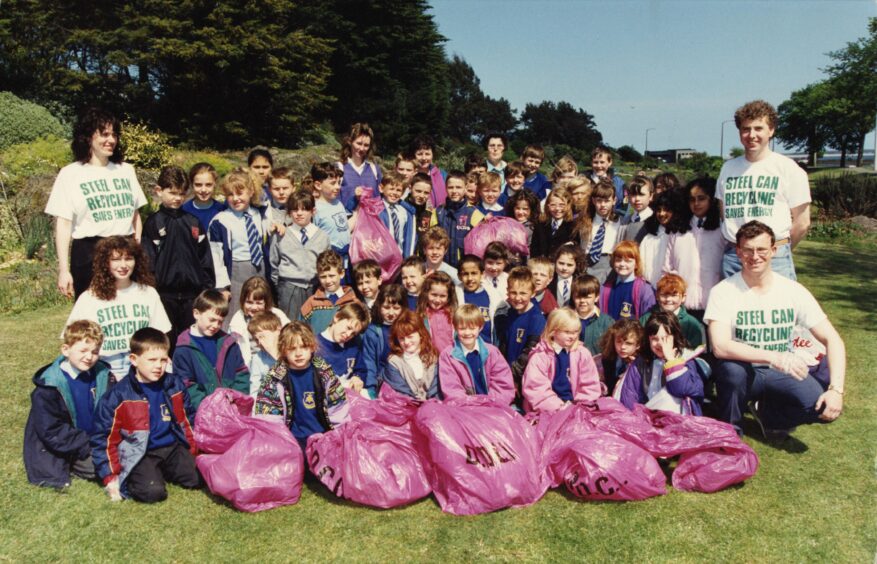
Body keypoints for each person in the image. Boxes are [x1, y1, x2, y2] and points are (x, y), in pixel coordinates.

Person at [705, 221, 845, 439]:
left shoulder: (792, 290)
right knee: (732, 374)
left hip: (779, 371)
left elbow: (832, 339)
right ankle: (731, 433)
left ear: (773, 250)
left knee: (819, 407)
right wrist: (774, 356)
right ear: (738, 251)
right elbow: (720, 347)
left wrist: (836, 390)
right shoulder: (723, 291)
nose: (755, 256)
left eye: (761, 249)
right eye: (748, 250)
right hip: (743, 368)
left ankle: (768, 415)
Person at [46, 107, 148, 298]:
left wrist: (136, 248)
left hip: (124, 251)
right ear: (88, 137)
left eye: (114, 135)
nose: (111, 140)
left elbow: (135, 216)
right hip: (88, 254)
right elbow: (64, 224)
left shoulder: (126, 170)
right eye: (104, 134)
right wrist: (63, 270)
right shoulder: (70, 174)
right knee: (91, 318)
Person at [92, 328, 200, 502]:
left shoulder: (175, 385)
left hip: (172, 447)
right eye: (152, 360)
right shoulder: (118, 396)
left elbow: (188, 420)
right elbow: (103, 438)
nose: (158, 366)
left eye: (163, 360)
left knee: (198, 478)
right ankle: (150, 474)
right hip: (141, 451)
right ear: (134, 359)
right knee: (153, 492)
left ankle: (166, 470)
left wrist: (194, 452)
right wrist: (110, 476)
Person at [716, 100, 811, 280]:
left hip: (774, 257)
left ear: (771, 130)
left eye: (758, 128)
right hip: (734, 257)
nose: (751, 135)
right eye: (746, 129)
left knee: (777, 307)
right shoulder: (728, 168)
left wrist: (773, 250)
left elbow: (802, 222)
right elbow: (724, 212)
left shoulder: (788, 168)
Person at [24, 320, 116, 489]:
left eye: (95, 352)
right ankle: (71, 464)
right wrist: (87, 444)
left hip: (97, 440)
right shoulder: (49, 387)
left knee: (128, 459)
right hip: (69, 444)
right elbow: (51, 430)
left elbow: (114, 411)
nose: (89, 357)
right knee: (104, 467)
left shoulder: (103, 375)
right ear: (66, 350)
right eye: (83, 350)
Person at [64, 236, 171, 377]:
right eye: (115, 260)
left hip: (141, 366)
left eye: (128, 259)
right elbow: (72, 339)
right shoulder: (89, 297)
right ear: (105, 263)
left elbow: (160, 334)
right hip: (104, 368)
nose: (123, 265)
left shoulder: (148, 293)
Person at [142, 165, 214, 349]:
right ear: (159, 191)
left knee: (192, 342)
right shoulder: (153, 223)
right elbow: (147, 262)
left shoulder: (193, 222)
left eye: (182, 194)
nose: (177, 198)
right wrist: (151, 292)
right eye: (172, 193)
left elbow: (205, 259)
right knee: (167, 343)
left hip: (192, 296)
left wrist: (206, 290)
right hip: (164, 296)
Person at [254, 321, 350, 453]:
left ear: (312, 347)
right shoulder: (274, 378)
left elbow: (338, 407)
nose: (298, 353)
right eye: (292, 348)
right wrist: (279, 443)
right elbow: (268, 416)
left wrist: (341, 436)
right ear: (283, 349)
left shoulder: (324, 373)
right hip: (291, 441)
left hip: (323, 436)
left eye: (304, 347)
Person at [207, 167, 270, 324]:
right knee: (235, 314)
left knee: (259, 311)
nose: (235, 199)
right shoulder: (220, 221)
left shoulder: (260, 213)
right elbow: (216, 257)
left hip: (259, 269)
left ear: (250, 192)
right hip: (236, 271)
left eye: (240, 193)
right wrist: (222, 287)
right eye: (230, 194)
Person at [615, 310, 706, 415]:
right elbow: (629, 397)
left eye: (665, 338)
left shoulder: (686, 360)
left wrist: (671, 361)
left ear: (675, 337)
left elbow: (681, 389)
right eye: (654, 339)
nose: (660, 344)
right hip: (647, 418)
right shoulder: (641, 362)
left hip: (677, 418)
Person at [172, 290, 251, 411]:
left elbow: (241, 374)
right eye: (212, 320)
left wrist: (235, 401)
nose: (216, 325)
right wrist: (210, 408)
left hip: (232, 410)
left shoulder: (229, 343)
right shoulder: (183, 349)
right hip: (203, 415)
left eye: (220, 322)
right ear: (196, 314)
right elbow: (186, 386)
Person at [522, 308, 602, 413]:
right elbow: (536, 388)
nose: (572, 336)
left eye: (575, 332)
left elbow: (590, 385)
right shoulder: (540, 357)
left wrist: (581, 406)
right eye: (567, 332)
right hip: (547, 410)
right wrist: (560, 408)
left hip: (578, 409)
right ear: (553, 331)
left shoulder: (582, 354)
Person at [667, 177, 724, 320]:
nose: (696, 204)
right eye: (692, 199)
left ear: (712, 200)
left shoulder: (722, 230)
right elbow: (667, 268)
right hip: (682, 309)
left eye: (701, 198)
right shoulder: (678, 231)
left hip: (715, 308)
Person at [270, 190, 330, 321]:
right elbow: (273, 263)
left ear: (313, 211)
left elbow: (327, 265)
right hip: (289, 289)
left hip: (314, 289)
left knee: (314, 329)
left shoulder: (323, 237)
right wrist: (281, 287)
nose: (299, 213)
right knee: (290, 327)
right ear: (289, 213)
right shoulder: (281, 235)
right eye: (295, 210)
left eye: (304, 209)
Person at [438, 304, 514, 404]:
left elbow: (503, 385)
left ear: (480, 327)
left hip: (493, 406)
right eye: (462, 328)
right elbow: (451, 389)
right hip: (464, 408)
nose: (467, 333)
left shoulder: (492, 352)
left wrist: (490, 404)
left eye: (472, 328)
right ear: (455, 328)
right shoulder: (448, 356)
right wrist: (471, 405)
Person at [495, 267, 547, 398]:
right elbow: (504, 345)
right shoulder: (510, 313)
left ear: (533, 293)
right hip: (507, 376)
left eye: (523, 293)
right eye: (513, 292)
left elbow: (530, 352)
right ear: (507, 292)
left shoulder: (536, 318)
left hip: (524, 379)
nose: (517, 298)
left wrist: (510, 375)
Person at [227, 276, 291, 363]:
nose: (254, 307)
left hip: (276, 362)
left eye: (259, 303)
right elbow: (231, 347)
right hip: (249, 365)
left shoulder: (277, 315)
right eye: (249, 302)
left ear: (266, 302)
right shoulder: (238, 321)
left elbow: (290, 335)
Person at [430, 170, 483, 268]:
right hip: (441, 267)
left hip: (464, 269)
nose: (454, 191)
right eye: (450, 187)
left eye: (458, 187)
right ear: (445, 188)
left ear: (465, 188)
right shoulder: (437, 212)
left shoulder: (474, 214)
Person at [299, 250, 360, 335]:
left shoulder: (353, 302)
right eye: (323, 277)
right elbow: (301, 331)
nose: (328, 281)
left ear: (342, 273)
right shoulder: (311, 303)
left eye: (332, 276)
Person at [383, 310, 439, 400]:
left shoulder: (432, 358)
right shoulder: (394, 362)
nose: (406, 342)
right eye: (401, 338)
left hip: (432, 406)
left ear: (420, 334)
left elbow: (436, 388)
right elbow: (400, 391)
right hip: (406, 406)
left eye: (410, 336)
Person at [573, 178, 621, 284]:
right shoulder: (583, 221)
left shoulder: (619, 222)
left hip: (609, 265)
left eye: (607, 201)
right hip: (586, 263)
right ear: (594, 201)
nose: (603, 205)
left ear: (614, 201)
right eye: (599, 201)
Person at [640, 274, 707, 350]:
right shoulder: (646, 319)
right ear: (657, 296)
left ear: (683, 297)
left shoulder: (691, 324)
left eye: (674, 295)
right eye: (664, 295)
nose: (668, 299)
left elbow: (695, 352)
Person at [361, 284, 405, 397]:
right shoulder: (372, 332)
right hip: (383, 382)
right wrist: (371, 387)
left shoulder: (408, 329)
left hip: (405, 380)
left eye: (396, 308)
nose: (391, 313)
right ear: (379, 306)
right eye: (386, 307)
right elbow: (369, 362)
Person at [639, 190, 689, 287]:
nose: (662, 214)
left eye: (666, 209)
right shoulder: (649, 238)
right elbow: (641, 267)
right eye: (659, 210)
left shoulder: (681, 236)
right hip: (649, 289)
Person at [598, 240, 656, 321]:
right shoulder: (605, 289)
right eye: (618, 260)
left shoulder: (644, 289)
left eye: (628, 261)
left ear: (636, 264)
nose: (622, 264)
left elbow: (648, 319)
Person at [456, 254, 502, 344]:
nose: (470, 278)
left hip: (488, 347)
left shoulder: (492, 295)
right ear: (459, 276)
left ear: (482, 274)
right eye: (465, 274)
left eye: (474, 273)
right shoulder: (456, 296)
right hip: (464, 347)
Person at [338, 122, 382, 213]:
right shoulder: (340, 168)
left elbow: (381, 199)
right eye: (358, 143)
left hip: (371, 223)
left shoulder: (374, 169)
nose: (362, 149)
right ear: (350, 142)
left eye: (366, 145)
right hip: (348, 222)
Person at [312, 162, 351, 260]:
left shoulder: (338, 203)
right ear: (318, 185)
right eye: (333, 183)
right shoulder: (315, 209)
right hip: (329, 258)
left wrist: (358, 211)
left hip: (345, 256)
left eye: (339, 183)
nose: (338, 187)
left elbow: (344, 227)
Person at [599, 319, 644, 397]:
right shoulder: (608, 358)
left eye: (628, 343)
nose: (622, 347)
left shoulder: (644, 362)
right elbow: (610, 387)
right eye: (619, 342)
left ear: (638, 344)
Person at [572, 275, 614, 356]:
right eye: (578, 297)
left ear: (597, 297)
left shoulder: (607, 322)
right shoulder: (565, 320)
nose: (582, 301)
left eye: (587, 297)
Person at [378, 173, 418, 258]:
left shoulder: (406, 212)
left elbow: (409, 238)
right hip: (380, 257)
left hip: (399, 257)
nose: (394, 193)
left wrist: (407, 259)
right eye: (391, 189)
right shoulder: (375, 209)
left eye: (398, 190)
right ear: (381, 188)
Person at [417, 271, 457, 355]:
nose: (437, 300)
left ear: (449, 297)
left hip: (451, 359)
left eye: (442, 296)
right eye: (434, 295)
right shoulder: (421, 315)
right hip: (431, 360)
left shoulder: (454, 315)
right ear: (426, 293)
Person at [246, 312, 283, 400]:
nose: (259, 342)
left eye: (262, 336)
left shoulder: (291, 351)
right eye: (256, 339)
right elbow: (255, 389)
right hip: (270, 404)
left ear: (278, 330)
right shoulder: (258, 358)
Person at [531, 186, 574, 259]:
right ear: (547, 206)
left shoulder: (573, 226)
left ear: (568, 205)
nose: (557, 209)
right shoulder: (540, 225)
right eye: (553, 205)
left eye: (562, 205)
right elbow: (534, 249)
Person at [182, 162, 224, 231]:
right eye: (198, 185)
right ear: (192, 185)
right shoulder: (183, 211)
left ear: (215, 184)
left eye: (208, 185)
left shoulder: (222, 210)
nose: (203, 190)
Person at [408, 135, 447, 208]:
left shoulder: (442, 175)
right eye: (419, 154)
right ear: (413, 155)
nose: (424, 158)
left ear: (433, 155)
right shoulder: (409, 175)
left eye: (427, 154)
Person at [586, 147, 626, 213]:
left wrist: (618, 218)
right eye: (595, 162)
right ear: (591, 163)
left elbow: (625, 204)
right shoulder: (583, 180)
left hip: (612, 221)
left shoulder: (619, 183)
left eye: (602, 162)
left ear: (610, 162)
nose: (599, 166)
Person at [617, 176, 654, 242]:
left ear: (651, 196)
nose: (637, 199)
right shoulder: (625, 221)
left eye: (641, 195)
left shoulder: (654, 222)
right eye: (633, 195)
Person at [405, 172, 434, 240]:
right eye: (418, 191)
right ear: (410, 188)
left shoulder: (429, 213)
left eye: (426, 193)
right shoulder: (401, 209)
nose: (421, 196)